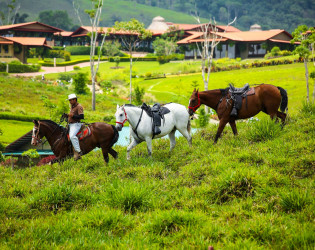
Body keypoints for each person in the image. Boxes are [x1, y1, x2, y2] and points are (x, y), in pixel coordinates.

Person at [67, 93, 84, 160]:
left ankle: (79, 151)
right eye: (69, 100)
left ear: (74, 100)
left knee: (72, 136)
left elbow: (82, 116)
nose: (70, 102)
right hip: (70, 124)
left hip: (76, 124)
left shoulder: (79, 106)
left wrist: (72, 116)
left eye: (70, 100)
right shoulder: (72, 106)